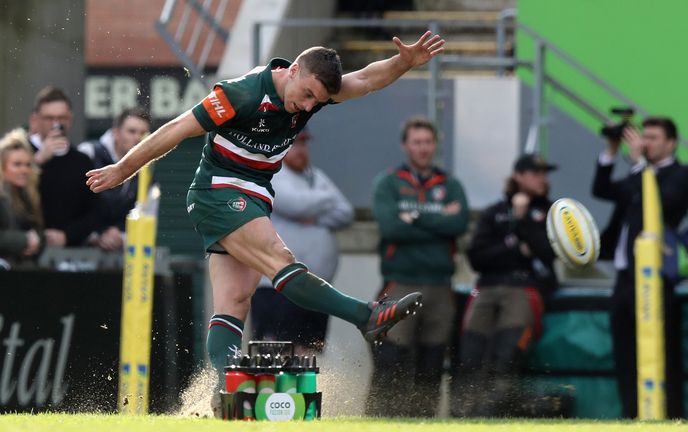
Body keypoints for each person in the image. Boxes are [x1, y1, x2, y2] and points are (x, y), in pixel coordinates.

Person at [86, 31, 444, 395]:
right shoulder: (241, 93)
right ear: (292, 71)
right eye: (307, 95)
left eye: (317, 101)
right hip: (218, 191)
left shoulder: (313, 93)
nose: (308, 107)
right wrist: (123, 168)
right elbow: (178, 129)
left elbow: (366, 79)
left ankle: (225, 391)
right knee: (281, 259)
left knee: (235, 300)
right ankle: (366, 316)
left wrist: (403, 62)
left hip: (254, 195)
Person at [592, 117, 688, 418]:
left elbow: (665, 202)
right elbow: (601, 189)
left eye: (653, 138)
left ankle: (669, 417)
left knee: (661, 354)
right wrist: (611, 151)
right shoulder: (639, 174)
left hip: (656, 277)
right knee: (625, 353)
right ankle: (630, 415)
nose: (645, 142)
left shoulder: (682, 173)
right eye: (644, 136)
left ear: (671, 143)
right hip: (625, 277)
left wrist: (639, 163)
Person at [366, 117, 469, 417]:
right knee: (390, 363)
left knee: (432, 366)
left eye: (428, 142)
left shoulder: (450, 185)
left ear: (435, 145)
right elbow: (392, 228)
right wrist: (439, 221)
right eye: (417, 142)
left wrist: (414, 217)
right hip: (400, 283)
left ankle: (423, 422)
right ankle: (379, 421)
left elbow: (459, 224)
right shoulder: (388, 182)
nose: (423, 148)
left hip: (440, 288)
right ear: (405, 145)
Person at [452, 153, 557, 417]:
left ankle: (495, 415)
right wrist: (515, 245)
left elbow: (548, 251)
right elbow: (477, 257)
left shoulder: (551, 212)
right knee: (470, 356)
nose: (542, 178)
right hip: (487, 288)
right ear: (519, 176)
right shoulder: (494, 212)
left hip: (524, 289)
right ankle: (464, 416)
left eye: (544, 173)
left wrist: (521, 221)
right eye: (535, 172)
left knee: (506, 357)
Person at [250, 129, 354, 353]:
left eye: (303, 144)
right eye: (295, 144)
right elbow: (295, 204)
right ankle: (274, 391)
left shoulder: (315, 176)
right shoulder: (269, 174)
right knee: (276, 354)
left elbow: (346, 212)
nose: (300, 150)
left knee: (308, 357)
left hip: (315, 290)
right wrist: (327, 200)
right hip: (277, 287)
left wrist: (314, 212)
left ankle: (299, 391)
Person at [29, 86, 101, 247]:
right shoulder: (20, 153)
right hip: (25, 248)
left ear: (70, 120)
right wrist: (38, 160)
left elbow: (95, 211)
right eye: (49, 118)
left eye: (61, 118)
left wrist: (67, 235)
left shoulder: (81, 161)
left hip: (69, 250)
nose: (56, 125)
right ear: (35, 120)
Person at [79, 107, 151, 251]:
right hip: (77, 247)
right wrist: (95, 234)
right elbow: (72, 203)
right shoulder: (88, 153)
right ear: (116, 133)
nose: (137, 138)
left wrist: (122, 237)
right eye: (131, 131)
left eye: (143, 133)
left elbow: (147, 218)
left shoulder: (147, 172)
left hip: (121, 253)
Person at [0, 129, 45, 269]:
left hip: (23, 273)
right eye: (17, 164)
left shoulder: (29, 194)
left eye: (27, 165)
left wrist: (37, 240)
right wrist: (24, 240)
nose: (24, 170)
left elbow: (39, 231)